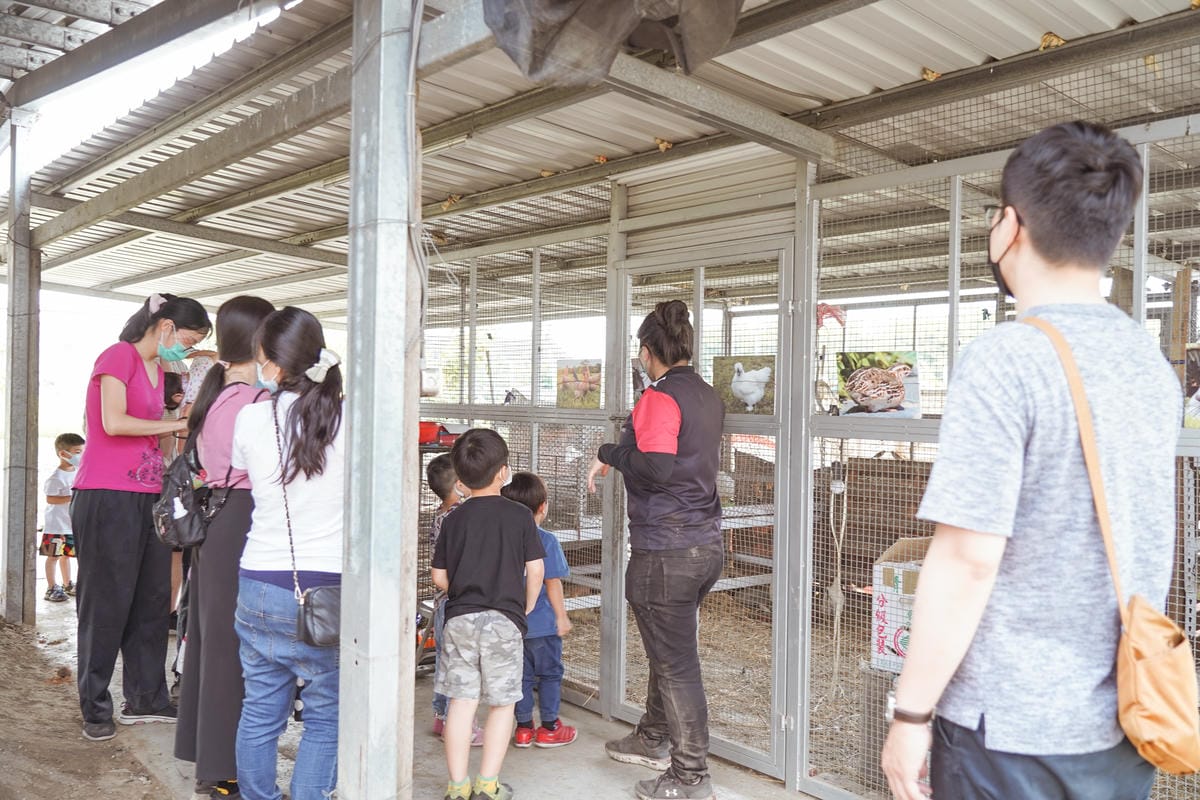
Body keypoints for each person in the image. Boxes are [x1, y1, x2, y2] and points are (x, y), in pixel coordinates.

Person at [880, 122, 1179, 800]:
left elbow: (967, 559)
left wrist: (911, 713)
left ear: (1009, 225)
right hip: (1125, 721)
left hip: (1007, 729)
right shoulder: (1148, 362)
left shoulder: (1005, 358)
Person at [586, 299, 724, 800]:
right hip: (705, 542)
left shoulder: (659, 397)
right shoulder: (708, 395)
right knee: (668, 650)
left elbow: (658, 467)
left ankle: (689, 776)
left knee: (676, 663)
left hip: (666, 547)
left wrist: (608, 453)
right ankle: (652, 736)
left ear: (647, 352)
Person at [72, 292, 211, 742]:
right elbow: (113, 423)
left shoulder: (161, 370)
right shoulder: (119, 356)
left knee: (152, 600)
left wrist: (182, 419)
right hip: (106, 494)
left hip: (149, 496)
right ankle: (95, 705)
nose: (186, 350)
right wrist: (175, 425)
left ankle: (146, 697)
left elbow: (159, 438)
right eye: (187, 340)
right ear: (165, 326)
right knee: (106, 602)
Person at [231, 307, 344, 800]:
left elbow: (241, 472)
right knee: (327, 715)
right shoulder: (350, 418)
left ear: (272, 363)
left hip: (258, 581)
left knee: (259, 710)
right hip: (330, 590)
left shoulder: (251, 417)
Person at [175, 296, 275, 800]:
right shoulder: (254, 402)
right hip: (239, 517)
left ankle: (210, 758)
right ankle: (224, 770)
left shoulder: (219, 393)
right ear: (261, 341)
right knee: (232, 646)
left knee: (213, 641)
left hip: (217, 518)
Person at [432, 429, 545, 800]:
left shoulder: (453, 519)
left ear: (461, 479)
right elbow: (536, 569)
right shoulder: (520, 516)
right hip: (503, 619)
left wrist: (462, 592)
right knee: (502, 703)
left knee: (461, 703)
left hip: (460, 619)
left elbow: (439, 576)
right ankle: (487, 785)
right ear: (503, 472)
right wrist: (524, 605)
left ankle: (457, 786)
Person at [500, 471, 576, 749]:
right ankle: (550, 727)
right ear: (543, 506)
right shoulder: (546, 540)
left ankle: (522, 728)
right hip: (543, 625)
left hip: (509, 623)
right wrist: (561, 616)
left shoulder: (500, 539)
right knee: (550, 674)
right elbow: (552, 583)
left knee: (519, 675)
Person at [427, 454, 485, 747]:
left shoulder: (439, 513)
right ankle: (460, 723)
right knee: (461, 663)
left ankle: (441, 715)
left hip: (440, 600)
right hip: (458, 598)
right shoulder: (461, 516)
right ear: (460, 483)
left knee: (443, 659)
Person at [40, 433, 84, 603]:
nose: (80, 456)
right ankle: (51, 587)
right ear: (63, 454)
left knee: (67, 556)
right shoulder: (55, 478)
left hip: (70, 525)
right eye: (77, 451)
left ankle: (68, 584)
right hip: (55, 526)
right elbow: (50, 498)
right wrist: (73, 498)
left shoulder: (79, 472)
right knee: (53, 557)